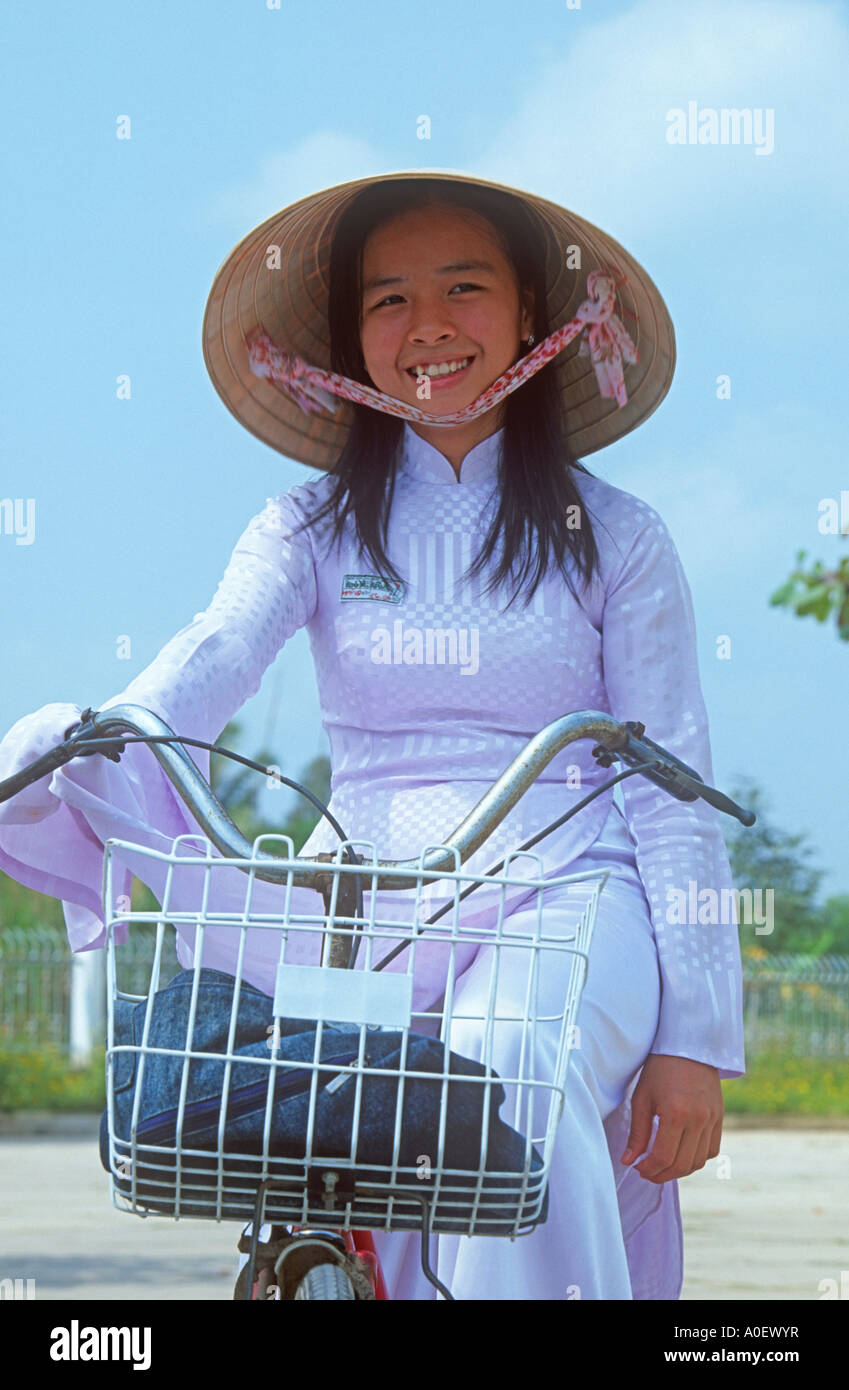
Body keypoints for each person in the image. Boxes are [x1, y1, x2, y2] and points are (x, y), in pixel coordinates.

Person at [0, 171, 744, 1300]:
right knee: (350, 1136)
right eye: (388, 299)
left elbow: (673, 790)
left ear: (535, 316)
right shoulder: (304, 524)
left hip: (570, 894)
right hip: (373, 900)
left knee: (501, 1080)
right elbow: (215, 651)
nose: (429, 325)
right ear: (352, 336)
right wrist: (107, 733)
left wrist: (697, 1037)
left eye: (464, 287)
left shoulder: (619, 538)